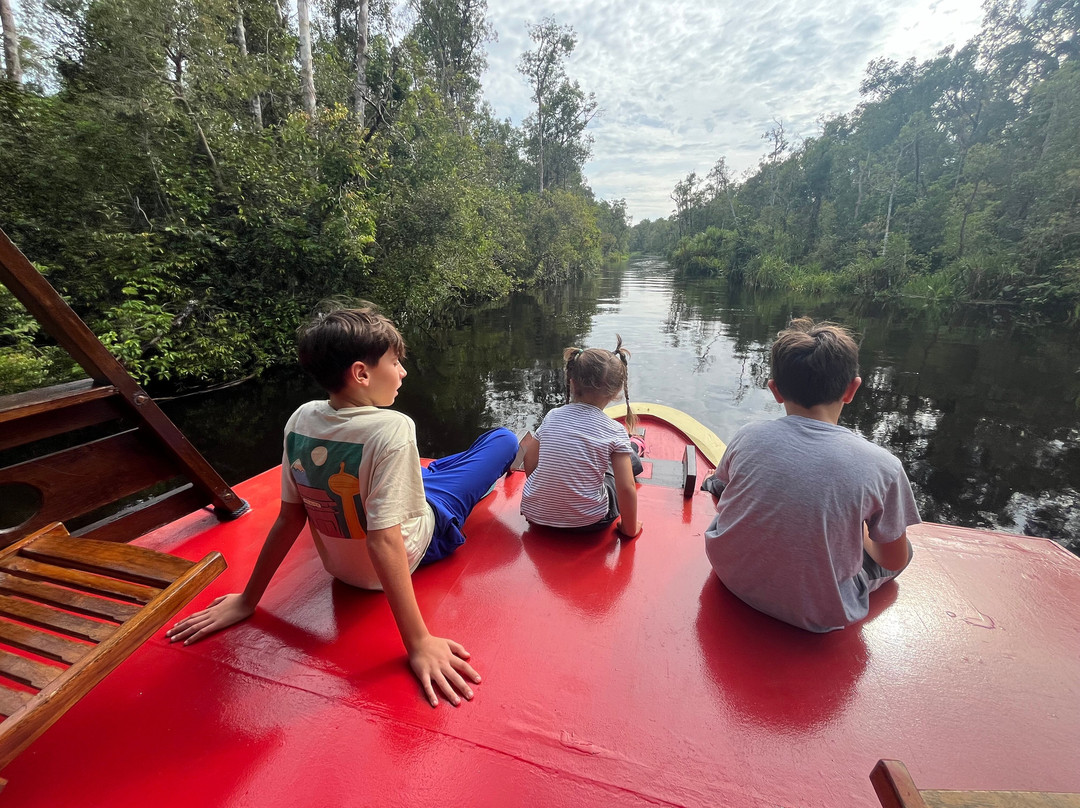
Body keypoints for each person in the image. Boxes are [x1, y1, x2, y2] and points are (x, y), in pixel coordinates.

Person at [167, 302, 518, 707]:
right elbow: (384, 542)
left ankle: (426, 473)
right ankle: (436, 476)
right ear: (362, 373)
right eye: (395, 362)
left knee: (426, 473)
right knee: (503, 440)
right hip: (427, 531)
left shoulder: (301, 418)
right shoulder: (396, 427)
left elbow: (289, 518)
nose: (402, 372)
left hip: (340, 568)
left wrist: (247, 601)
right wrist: (419, 643)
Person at [703, 317, 919, 632]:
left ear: (775, 390)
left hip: (730, 576)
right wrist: (857, 534)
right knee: (906, 550)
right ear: (852, 389)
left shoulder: (747, 435)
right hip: (818, 612)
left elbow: (723, 487)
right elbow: (892, 560)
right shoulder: (884, 466)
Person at [519, 336, 643, 540]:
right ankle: (634, 450)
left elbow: (529, 460)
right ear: (616, 392)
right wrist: (630, 529)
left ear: (572, 382)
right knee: (613, 474)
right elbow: (626, 486)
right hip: (590, 522)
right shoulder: (613, 429)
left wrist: (545, 494)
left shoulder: (552, 416)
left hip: (535, 515)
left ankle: (632, 450)